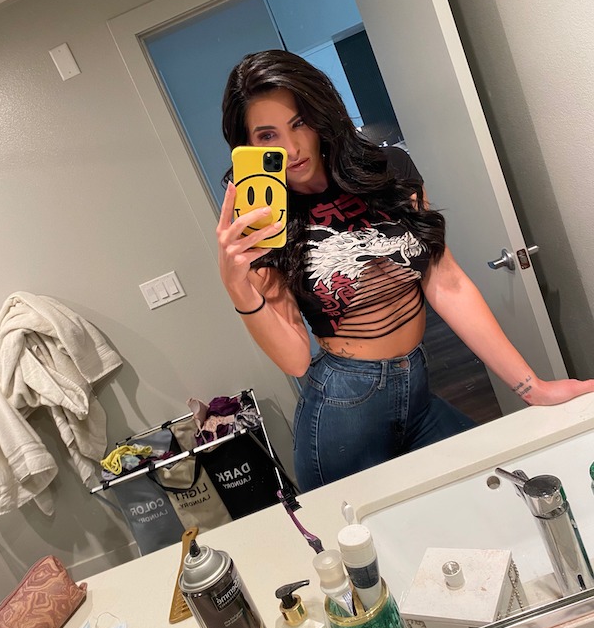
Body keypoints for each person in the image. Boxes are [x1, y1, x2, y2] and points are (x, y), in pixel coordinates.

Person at [216, 49, 594, 492]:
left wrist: (532, 388)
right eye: (268, 135)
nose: (292, 148)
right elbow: (296, 359)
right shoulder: (263, 218)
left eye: (299, 123)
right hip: (344, 408)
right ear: (248, 146)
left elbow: (446, 281)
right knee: (372, 534)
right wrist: (237, 287)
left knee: (501, 494)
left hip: (417, 388)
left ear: (321, 115)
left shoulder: (387, 171)